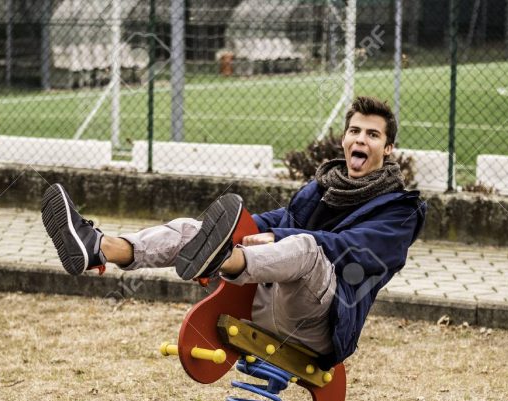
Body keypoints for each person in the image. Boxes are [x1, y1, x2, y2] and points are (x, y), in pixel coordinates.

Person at [41, 96, 426, 368]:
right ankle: (100, 247)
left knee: (307, 246)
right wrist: (242, 231)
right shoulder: (323, 186)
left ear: (388, 148)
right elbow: (278, 220)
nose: (360, 139)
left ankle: (222, 257)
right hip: (267, 299)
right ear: (344, 139)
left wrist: (270, 240)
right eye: (354, 131)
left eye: (372, 135)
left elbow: (357, 251)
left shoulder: (399, 210)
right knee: (196, 229)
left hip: (320, 324)